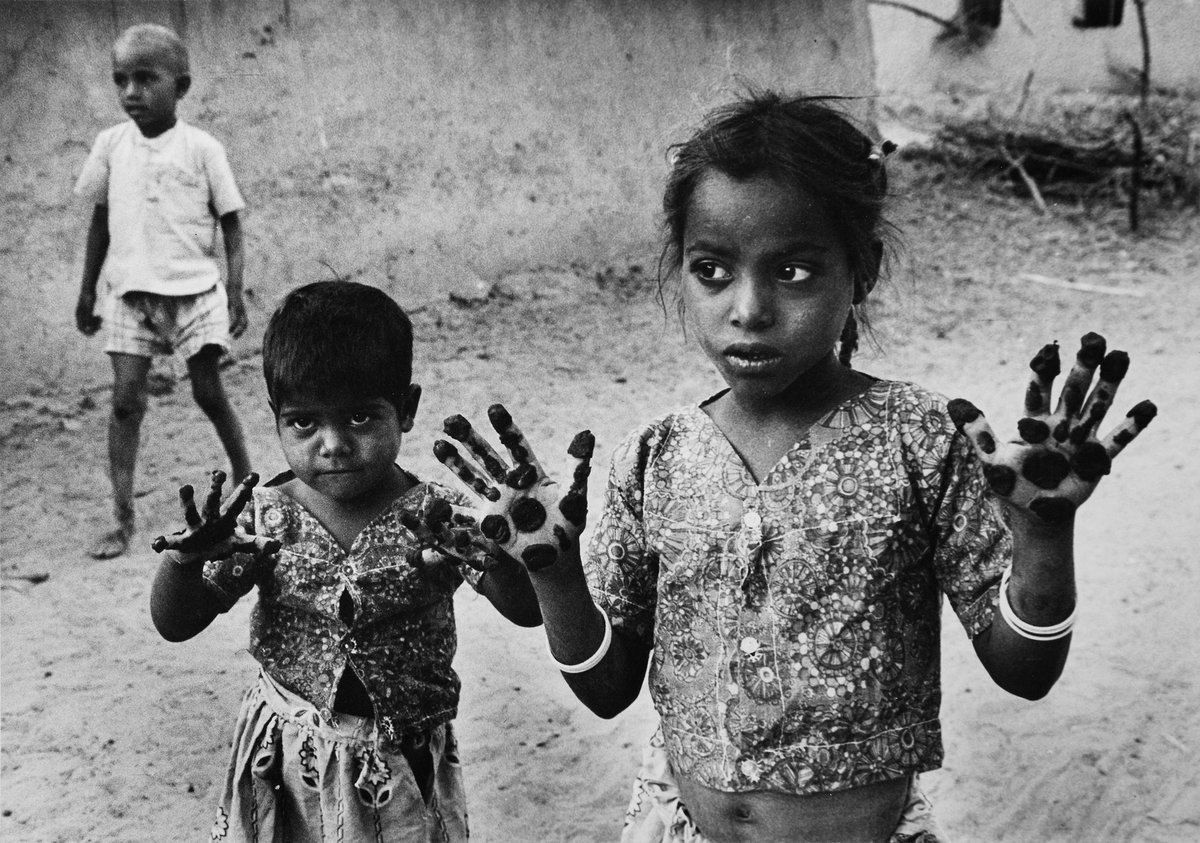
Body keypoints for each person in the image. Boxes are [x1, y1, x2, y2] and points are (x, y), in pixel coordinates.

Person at [430, 92, 1158, 842]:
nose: (749, 308)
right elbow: (607, 687)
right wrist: (555, 575)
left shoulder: (918, 440)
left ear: (862, 271)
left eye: (795, 270)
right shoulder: (655, 457)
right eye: (712, 269)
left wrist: (1043, 532)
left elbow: (1024, 668)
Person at [148, 281, 542, 842]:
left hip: (399, 762)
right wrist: (184, 562)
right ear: (276, 417)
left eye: (359, 418)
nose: (332, 444)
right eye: (304, 422)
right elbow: (176, 623)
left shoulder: (441, 517)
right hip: (285, 760)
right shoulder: (262, 519)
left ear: (406, 409)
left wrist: (500, 559)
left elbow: (527, 611)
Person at [74, 23, 251, 559]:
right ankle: (121, 517)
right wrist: (86, 290)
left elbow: (232, 221)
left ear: (181, 85)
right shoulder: (110, 145)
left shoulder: (202, 148)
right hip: (130, 295)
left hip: (195, 293)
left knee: (207, 392)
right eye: (120, 80)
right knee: (125, 403)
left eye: (146, 78)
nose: (131, 92)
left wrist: (235, 290)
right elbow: (100, 222)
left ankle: (249, 486)